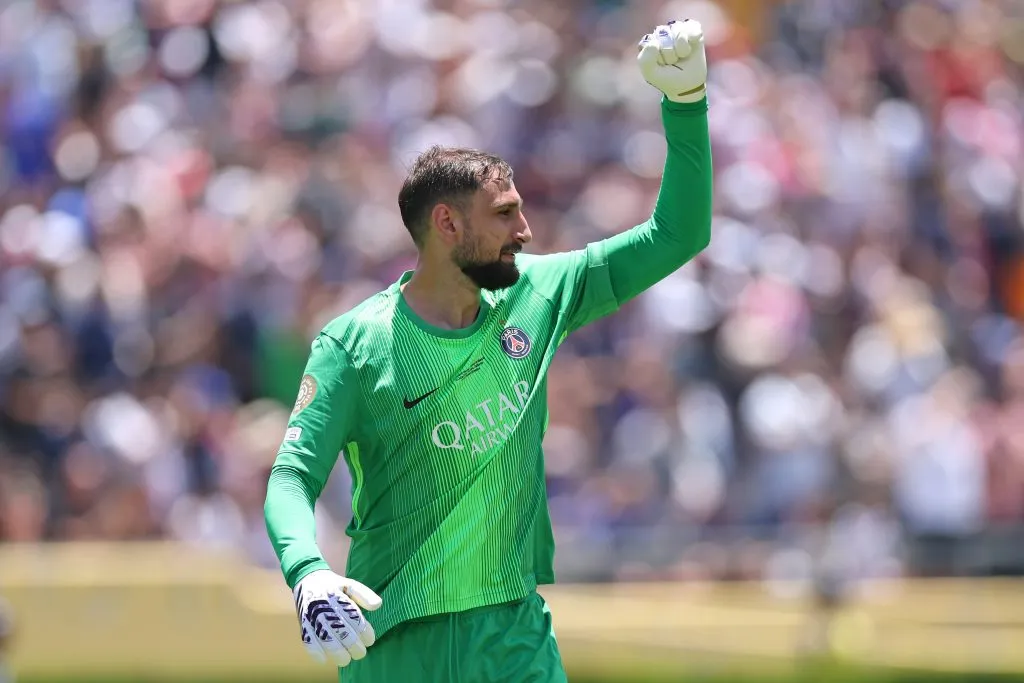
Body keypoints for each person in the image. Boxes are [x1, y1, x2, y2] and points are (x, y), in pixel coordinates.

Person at [264, 19, 713, 683]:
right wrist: (308, 574)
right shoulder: (356, 343)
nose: (526, 230)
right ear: (447, 225)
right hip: (395, 644)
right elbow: (291, 478)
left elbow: (679, 233)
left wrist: (686, 105)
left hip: (513, 638)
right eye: (504, 214)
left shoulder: (540, 292)